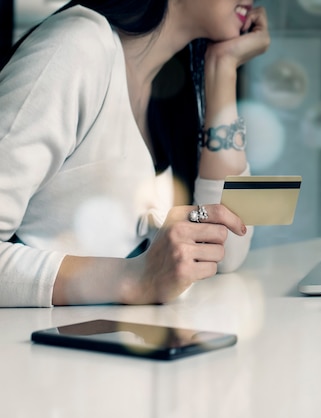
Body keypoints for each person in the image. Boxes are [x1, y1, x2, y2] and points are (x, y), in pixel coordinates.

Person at [0, 0, 270, 307]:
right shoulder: (77, 47)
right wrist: (132, 278)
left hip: (111, 347)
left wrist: (223, 68)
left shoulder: (170, 82)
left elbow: (225, 251)